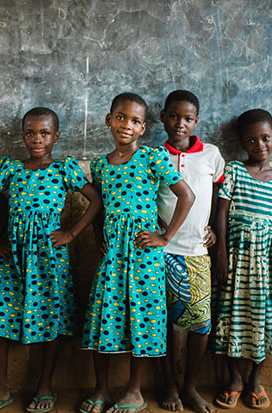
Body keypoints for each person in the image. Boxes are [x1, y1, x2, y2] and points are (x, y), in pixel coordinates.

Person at [0, 107, 102, 413]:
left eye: (44, 133)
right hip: (14, 258)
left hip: (50, 259)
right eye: (30, 133)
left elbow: (96, 200)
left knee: (51, 319)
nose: (37, 139)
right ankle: (2, 388)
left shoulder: (64, 169)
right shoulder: (10, 168)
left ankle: (45, 384)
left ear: (55, 136)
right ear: (23, 136)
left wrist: (71, 233)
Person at [80, 93, 195, 413]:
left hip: (144, 255)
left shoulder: (153, 158)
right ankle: (101, 389)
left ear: (143, 127)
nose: (125, 125)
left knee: (143, 320)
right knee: (102, 316)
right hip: (112, 255)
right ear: (108, 120)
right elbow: (99, 205)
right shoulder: (100, 165)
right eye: (120, 118)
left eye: (134, 121)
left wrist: (165, 237)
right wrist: (96, 237)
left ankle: (134, 391)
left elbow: (187, 197)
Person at [213, 109, 272, 410]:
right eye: (251, 140)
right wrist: (220, 254)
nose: (259, 145)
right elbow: (221, 213)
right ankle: (234, 379)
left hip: (267, 262)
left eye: (265, 138)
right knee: (230, 316)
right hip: (236, 257)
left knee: (264, 317)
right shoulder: (234, 171)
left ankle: (255, 379)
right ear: (242, 143)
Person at [156, 90, 224, 413]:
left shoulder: (211, 155)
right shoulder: (153, 157)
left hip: (197, 252)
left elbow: (217, 195)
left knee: (200, 323)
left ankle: (190, 387)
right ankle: (168, 383)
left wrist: (211, 228)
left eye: (187, 119)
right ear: (162, 117)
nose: (179, 124)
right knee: (162, 323)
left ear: (196, 121)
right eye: (173, 116)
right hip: (160, 253)